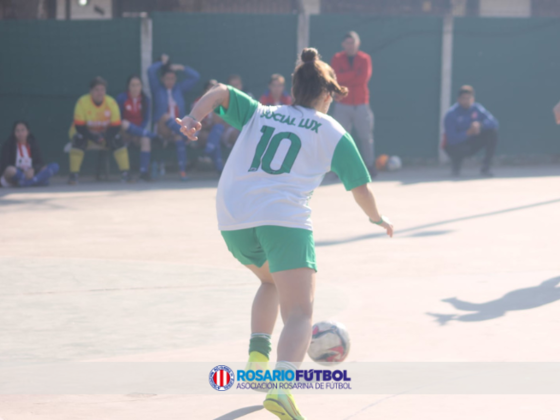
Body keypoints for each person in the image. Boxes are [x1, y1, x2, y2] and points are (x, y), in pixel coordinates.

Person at [177, 48, 393, 420]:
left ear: (294, 89)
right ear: (326, 95)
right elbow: (360, 189)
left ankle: (258, 358)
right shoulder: (332, 130)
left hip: (232, 218)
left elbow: (219, 91)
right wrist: (378, 219)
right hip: (283, 219)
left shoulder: (264, 112)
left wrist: (194, 117)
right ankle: (281, 390)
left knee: (271, 282)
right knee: (300, 314)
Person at [68, 77, 130, 185]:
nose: (100, 93)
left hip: (104, 136)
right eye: (96, 90)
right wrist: (93, 137)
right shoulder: (82, 102)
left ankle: (126, 173)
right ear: (90, 91)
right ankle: (74, 175)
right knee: (78, 138)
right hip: (86, 135)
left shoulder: (111, 103)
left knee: (117, 138)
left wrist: (104, 136)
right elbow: (80, 127)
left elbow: (116, 126)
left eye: (102, 90)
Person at [148, 54, 200, 180]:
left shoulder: (179, 89)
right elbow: (150, 71)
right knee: (165, 117)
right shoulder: (157, 89)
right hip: (162, 128)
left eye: (172, 78)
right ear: (162, 79)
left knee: (178, 138)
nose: (170, 81)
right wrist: (162, 63)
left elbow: (195, 77)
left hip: (177, 127)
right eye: (167, 78)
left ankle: (182, 172)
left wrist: (181, 67)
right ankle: (186, 134)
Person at [331, 31, 376, 176]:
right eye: (347, 43)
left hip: (360, 104)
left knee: (365, 137)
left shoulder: (365, 59)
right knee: (341, 138)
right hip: (342, 104)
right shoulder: (337, 58)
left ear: (358, 44)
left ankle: (369, 166)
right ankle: (340, 169)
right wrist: (353, 73)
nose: (350, 46)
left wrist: (346, 77)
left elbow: (362, 79)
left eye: (353, 43)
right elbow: (335, 79)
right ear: (343, 44)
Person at [443, 85, 499, 177]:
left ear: (473, 99)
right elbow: (451, 139)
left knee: (492, 133)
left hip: (472, 142)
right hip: (455, 146)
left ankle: (486, 167)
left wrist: (480, 125)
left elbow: (494, 122)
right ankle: (456, 166)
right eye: (463, 98)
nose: (466, 101)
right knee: (456, 148)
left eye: (468, 98)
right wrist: (468, 132)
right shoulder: (451, 114)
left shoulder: (477, 109)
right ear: (458, 99)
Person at [117, 75, 159, 181]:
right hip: (124, 132)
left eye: (138, 85)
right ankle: (152, 135)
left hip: (139, 133)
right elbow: (118, 119)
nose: (135, 88)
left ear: (141, 86)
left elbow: (146, 119)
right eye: (133, 85)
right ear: (128, 86)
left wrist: (137, 132)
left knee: (146, 140)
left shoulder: (146, 100)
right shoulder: (122, 98)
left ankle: (143, 172)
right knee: (124, 123)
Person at [0, 121, 59, 188]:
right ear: (14, 132)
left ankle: (30, 182)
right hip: (17, 174)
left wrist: (33, 169)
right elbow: (5, 165)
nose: (20, 133)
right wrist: (23, 172)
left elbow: (39, 163)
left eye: (23, 130)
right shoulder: (8, 144)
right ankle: (37, 181)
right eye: (17, 131)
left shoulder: (33, 144)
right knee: (10, 170)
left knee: (54, 166)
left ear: (28, 131)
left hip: (32, 174)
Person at [190, 79, 224, 174]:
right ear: (204, 91)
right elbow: (196, 122)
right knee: (213, 139)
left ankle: (207, 152)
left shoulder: (220, 102)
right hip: (199, 132)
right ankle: (219, 168)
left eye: (214, 90)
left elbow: (219, 121)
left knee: (217, 130)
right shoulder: (198, 102)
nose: (211, 93)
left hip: (216, 132)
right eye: (209, 90)